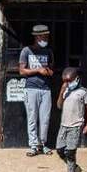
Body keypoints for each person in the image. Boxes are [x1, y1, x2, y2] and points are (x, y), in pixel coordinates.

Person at [19, 24, 54, 157]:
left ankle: (43, 144)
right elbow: (22, 71)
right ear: (37, 37)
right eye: (43, 36)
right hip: (31, 88)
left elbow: (52, 69)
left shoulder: (49, 52)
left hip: (46, 89)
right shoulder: (26, 51)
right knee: (32, 118)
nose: (45, 38)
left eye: (46, 36)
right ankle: (33, 145)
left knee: (45, 118)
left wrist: (48, 71)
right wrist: (37, 70)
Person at [55, 67, 87, 172]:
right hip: (63, 125)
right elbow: (59, 106)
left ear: (77, 79)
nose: (67, 83)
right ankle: (75, 168)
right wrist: (61, 93)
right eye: (65, 81)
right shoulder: (66, 91)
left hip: (75, 126)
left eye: (69, 81)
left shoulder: (83, 91)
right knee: (60, 150)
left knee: (70, 151)